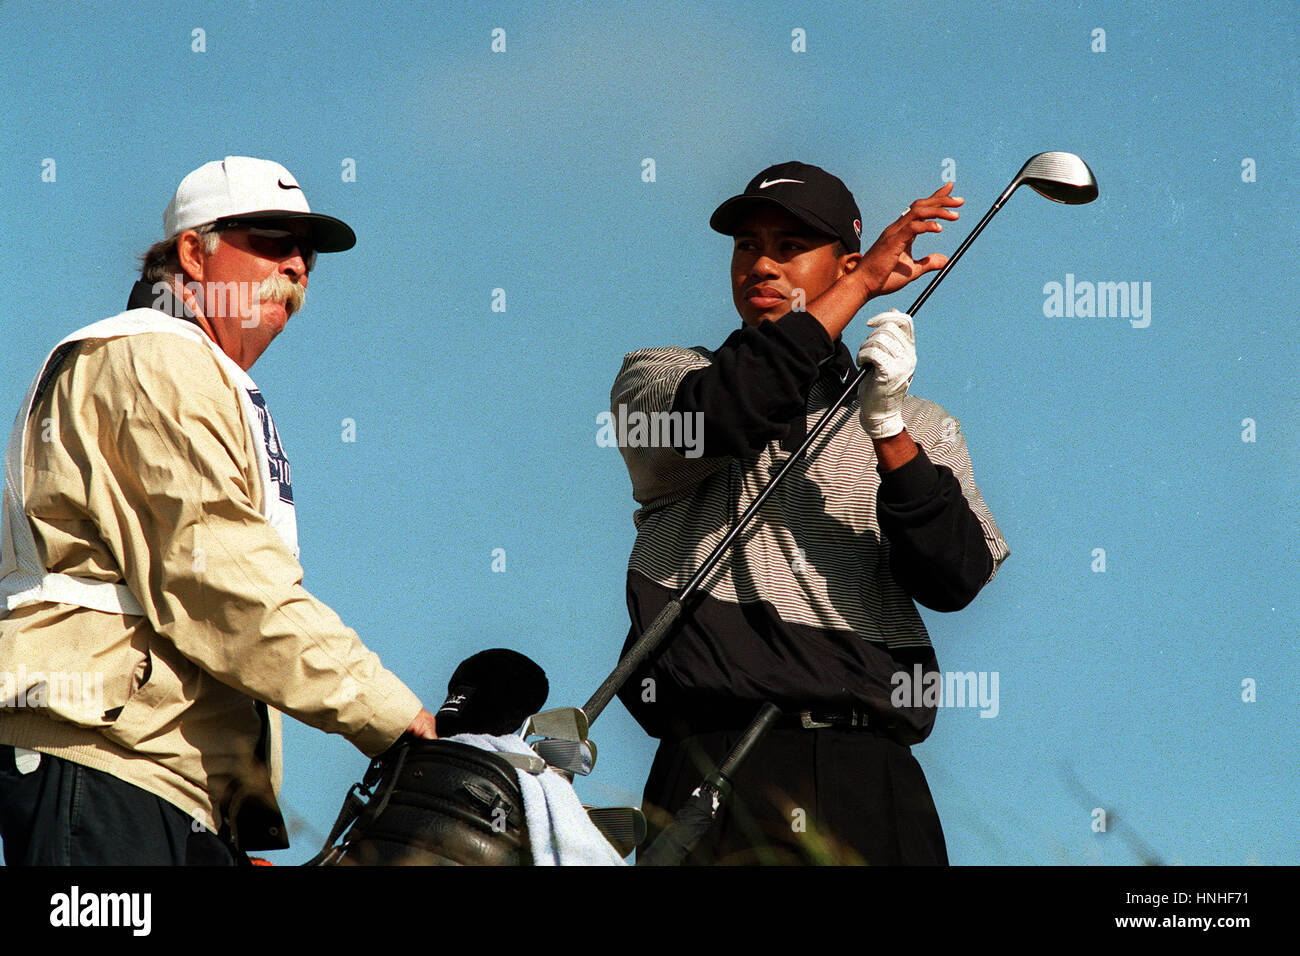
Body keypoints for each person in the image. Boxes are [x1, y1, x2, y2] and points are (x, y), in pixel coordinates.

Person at [0, 156, 437, 866]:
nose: (296, 265)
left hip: (161, 781)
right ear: (191, 252)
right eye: (268, 239)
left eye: (308, 254)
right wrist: (389, 717)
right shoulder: (151, 358)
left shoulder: (195, 369)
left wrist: (225, 825)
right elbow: (219, 578)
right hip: (109, 767)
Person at [611, 161, 1009, 865]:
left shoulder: (923, 423)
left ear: (843, 260)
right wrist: (856, 293)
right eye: (746, 245)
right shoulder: (658, 376)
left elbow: (955, 576)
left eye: (789, 247)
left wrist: (886, 427)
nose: (761, 263)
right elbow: (727, 413)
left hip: (873, 776)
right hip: (712, 767)